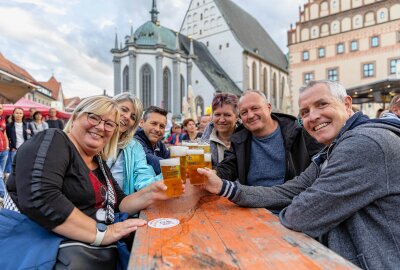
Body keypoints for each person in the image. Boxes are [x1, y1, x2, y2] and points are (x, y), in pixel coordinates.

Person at [199, 80, 400, 269]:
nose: (312, 117)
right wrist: (223, 186)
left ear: (347, 104)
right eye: (305, 112)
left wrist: (293, 207)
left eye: (321, 104)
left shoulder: (363, 144)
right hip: (332, 253)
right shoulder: (333, 148)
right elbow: (290, 190)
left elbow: (299, 215)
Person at [1, 96, 178, 269]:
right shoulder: (54, 139)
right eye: (94, 117)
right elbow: (40, 197)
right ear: (76, 116)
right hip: (42, 249)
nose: (101, 126)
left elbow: (119, 203)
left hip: (83, 249)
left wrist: (151, 193)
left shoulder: (97, 162)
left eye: (109, 124)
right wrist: (103, 233)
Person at [216, 90, 322, 187]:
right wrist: (212, 175)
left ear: (269, 108)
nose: (250, 115)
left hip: (294, 201)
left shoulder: (298, 131)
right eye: (244, 112)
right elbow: (227, 169)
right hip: (253, 203)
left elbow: (323, 163)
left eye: (255, 108)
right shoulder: (239, 139)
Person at [108, 93, 162, 194]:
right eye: (124, 109)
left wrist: (171, 173)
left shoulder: (134, 147)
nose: (127, 117)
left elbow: (143, 180)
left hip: (119, 207)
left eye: (133, 117)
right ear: (110, 106)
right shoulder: (93, 137)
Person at [201, 93, 240, 166]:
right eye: (217, 115)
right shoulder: (204, 143)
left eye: (227, 115)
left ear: (237, 117)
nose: (221, 120)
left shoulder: (247, 139)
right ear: (212, 116)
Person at [135, 106, 170, 175]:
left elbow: (168, 157)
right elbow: (149, 159)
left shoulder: (159, 144)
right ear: (141, 123)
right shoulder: (136, 141)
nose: (157, 129)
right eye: (154, 123)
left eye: (162, 126)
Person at [0, 104, 9, 202]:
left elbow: (5, 133)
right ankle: (3, 195)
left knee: (1, 174)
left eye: (1, 108)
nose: (0, 110)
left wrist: (7, 146)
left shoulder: (2, 119)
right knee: (0, 175)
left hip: (4, 150)